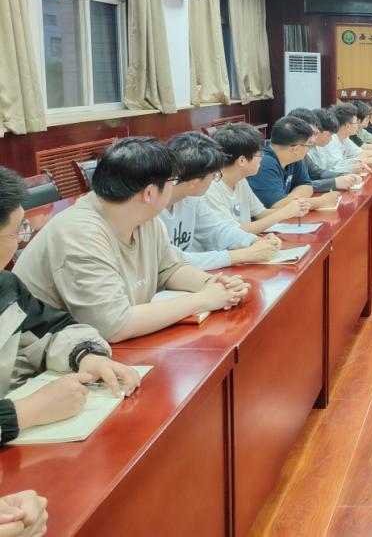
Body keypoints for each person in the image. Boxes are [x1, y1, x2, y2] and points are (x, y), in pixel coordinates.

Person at [14, 138, 249, 342]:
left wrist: (213, 284)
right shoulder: (81, 234)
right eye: (172, 180)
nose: (174, 186)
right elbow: (114, 325)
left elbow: (169, 267)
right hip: (43, 360)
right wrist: (203, 300)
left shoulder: (143, 217)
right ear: (149, 193)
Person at [0, 166, 140, 447]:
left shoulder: (6, 288)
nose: (20, 241)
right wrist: (25, 412)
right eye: (16, 232)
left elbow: (53, 329)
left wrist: (86, 356)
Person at [161, 132, 280, 270]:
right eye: (214, 175)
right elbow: (168, 261)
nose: (214, 180)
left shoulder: (192, 198)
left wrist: (254, 241)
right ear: (194, 182)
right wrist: (242, 255)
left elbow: (217, 229)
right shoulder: (153, 209)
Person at [207, 123, 311, 233]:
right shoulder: (210, 188)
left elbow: (260, 213)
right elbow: (232, 232)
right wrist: (282, 213)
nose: (262, 158)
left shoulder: (240, 180)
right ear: (242, 161)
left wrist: (291, 210)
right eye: (259, 154)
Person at [247, 117, 340, 210]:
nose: (308, 149)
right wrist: (321, 201)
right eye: (309, 145)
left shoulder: (294, 158)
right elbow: (278, 205)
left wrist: (290, 200)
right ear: (296, 149)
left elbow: (307, 186)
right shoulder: (263, 164)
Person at [286, 109, 361, 192]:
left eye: (315, 134)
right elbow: (299, 187)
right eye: (312, 134)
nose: (313, 139)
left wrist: (344, 175)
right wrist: (334, 182)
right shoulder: (281, 156)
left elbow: (316, 173)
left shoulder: (303, 153)